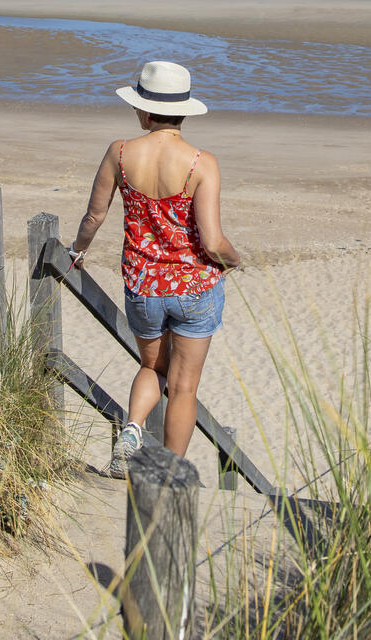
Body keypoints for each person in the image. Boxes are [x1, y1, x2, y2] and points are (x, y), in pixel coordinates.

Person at [68, 60, 240, 476]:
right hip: (194, 287)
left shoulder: (121, 153)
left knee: (150, 367)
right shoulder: (202, 163)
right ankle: (167, 472)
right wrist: (234, 261)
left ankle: (132, 429)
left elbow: (94, 217)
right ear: (183, 111)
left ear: (144, 111)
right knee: (183, 387)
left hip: (143, 285)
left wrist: (77, 251)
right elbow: (213, 241)